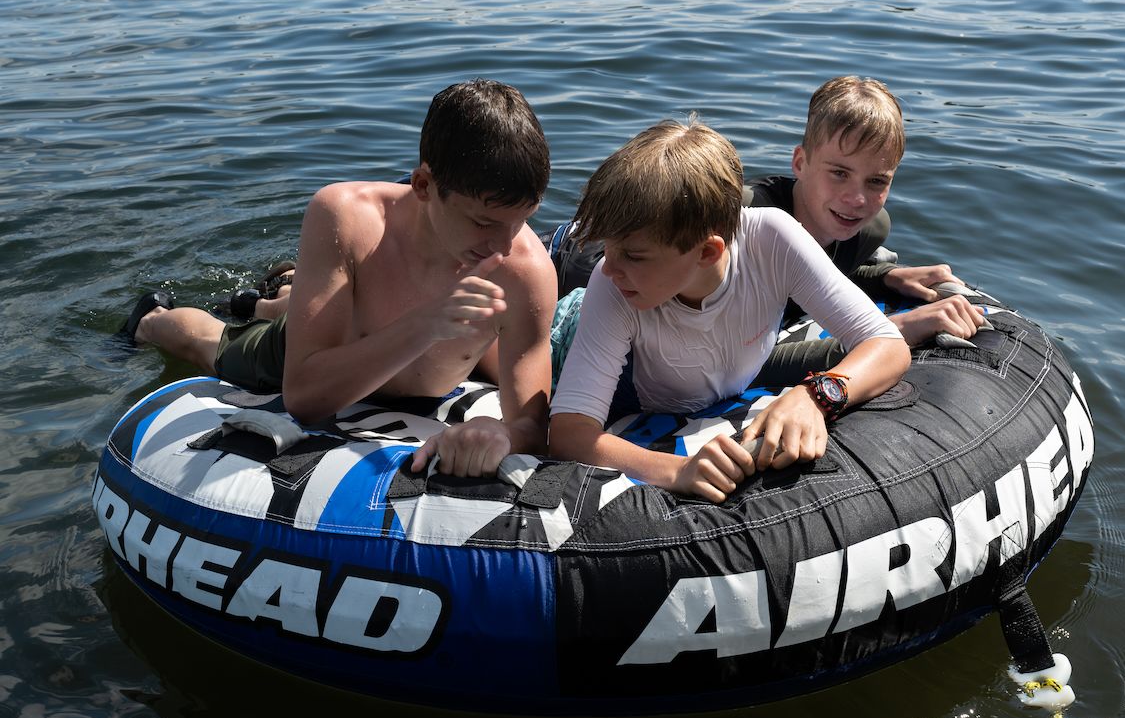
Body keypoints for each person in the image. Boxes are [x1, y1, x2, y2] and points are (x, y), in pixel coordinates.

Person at [119, 79, 558, 477]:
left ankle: (286, 291)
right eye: (484, 223)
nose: (504, 246)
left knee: (321, 301)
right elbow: (305, 401)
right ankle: (153, 317)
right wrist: (425, 325)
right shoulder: (346, 217)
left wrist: (503, 434)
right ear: (423, 185)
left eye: (521, 222)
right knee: (205, 342)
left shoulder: (526, 270)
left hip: (392, 343)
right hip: (325, 354)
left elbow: (531, 427)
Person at [548, 118, 911, 504]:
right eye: (613, 248)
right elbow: (570, 433)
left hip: (706, 373)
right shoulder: (611, 281)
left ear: (708, 252)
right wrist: (675, 470)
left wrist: (815, 396)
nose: (612, 264)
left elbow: (888, 344)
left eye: (633, 255)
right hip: (569, 333)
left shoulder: (771, 239)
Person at [747, 75, 987, 345]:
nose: (857, 199)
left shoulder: (866, 232)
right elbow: (724, 364)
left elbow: (813, 274)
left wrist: (886, 278)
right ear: (801, 163)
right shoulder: (745, 225)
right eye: (839, 173)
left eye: (876, 181)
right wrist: (888, 330)